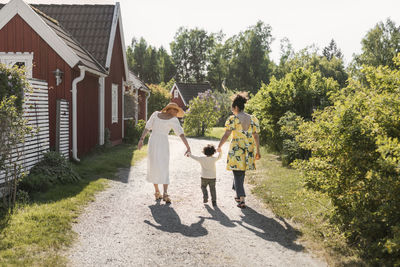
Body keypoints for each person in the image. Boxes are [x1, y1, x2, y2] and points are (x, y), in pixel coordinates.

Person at [138, 102, 191, 203]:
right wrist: (141, 139)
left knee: (164, 166)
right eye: (176, 111)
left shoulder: (174, 120)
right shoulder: (155, 114)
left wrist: (188, 147)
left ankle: (165, 193)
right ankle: (157, 191)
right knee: (153, 165)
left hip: (162, 143)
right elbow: (147, 127)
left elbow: (181, 134)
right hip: (153, 142)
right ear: (171, 109)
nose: (177, 114)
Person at [217, 93, 261, 208]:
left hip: (237, 149)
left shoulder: (233, 119)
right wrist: (258, 150)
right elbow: (256, 135)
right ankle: (237, 192)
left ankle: (242, 199)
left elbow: (226, 134)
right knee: (240, 172)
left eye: (232, 108)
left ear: (236, 107)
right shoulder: (253, 119)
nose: (232, 110)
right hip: (249, 148)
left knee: (237, 173)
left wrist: (219, 146)